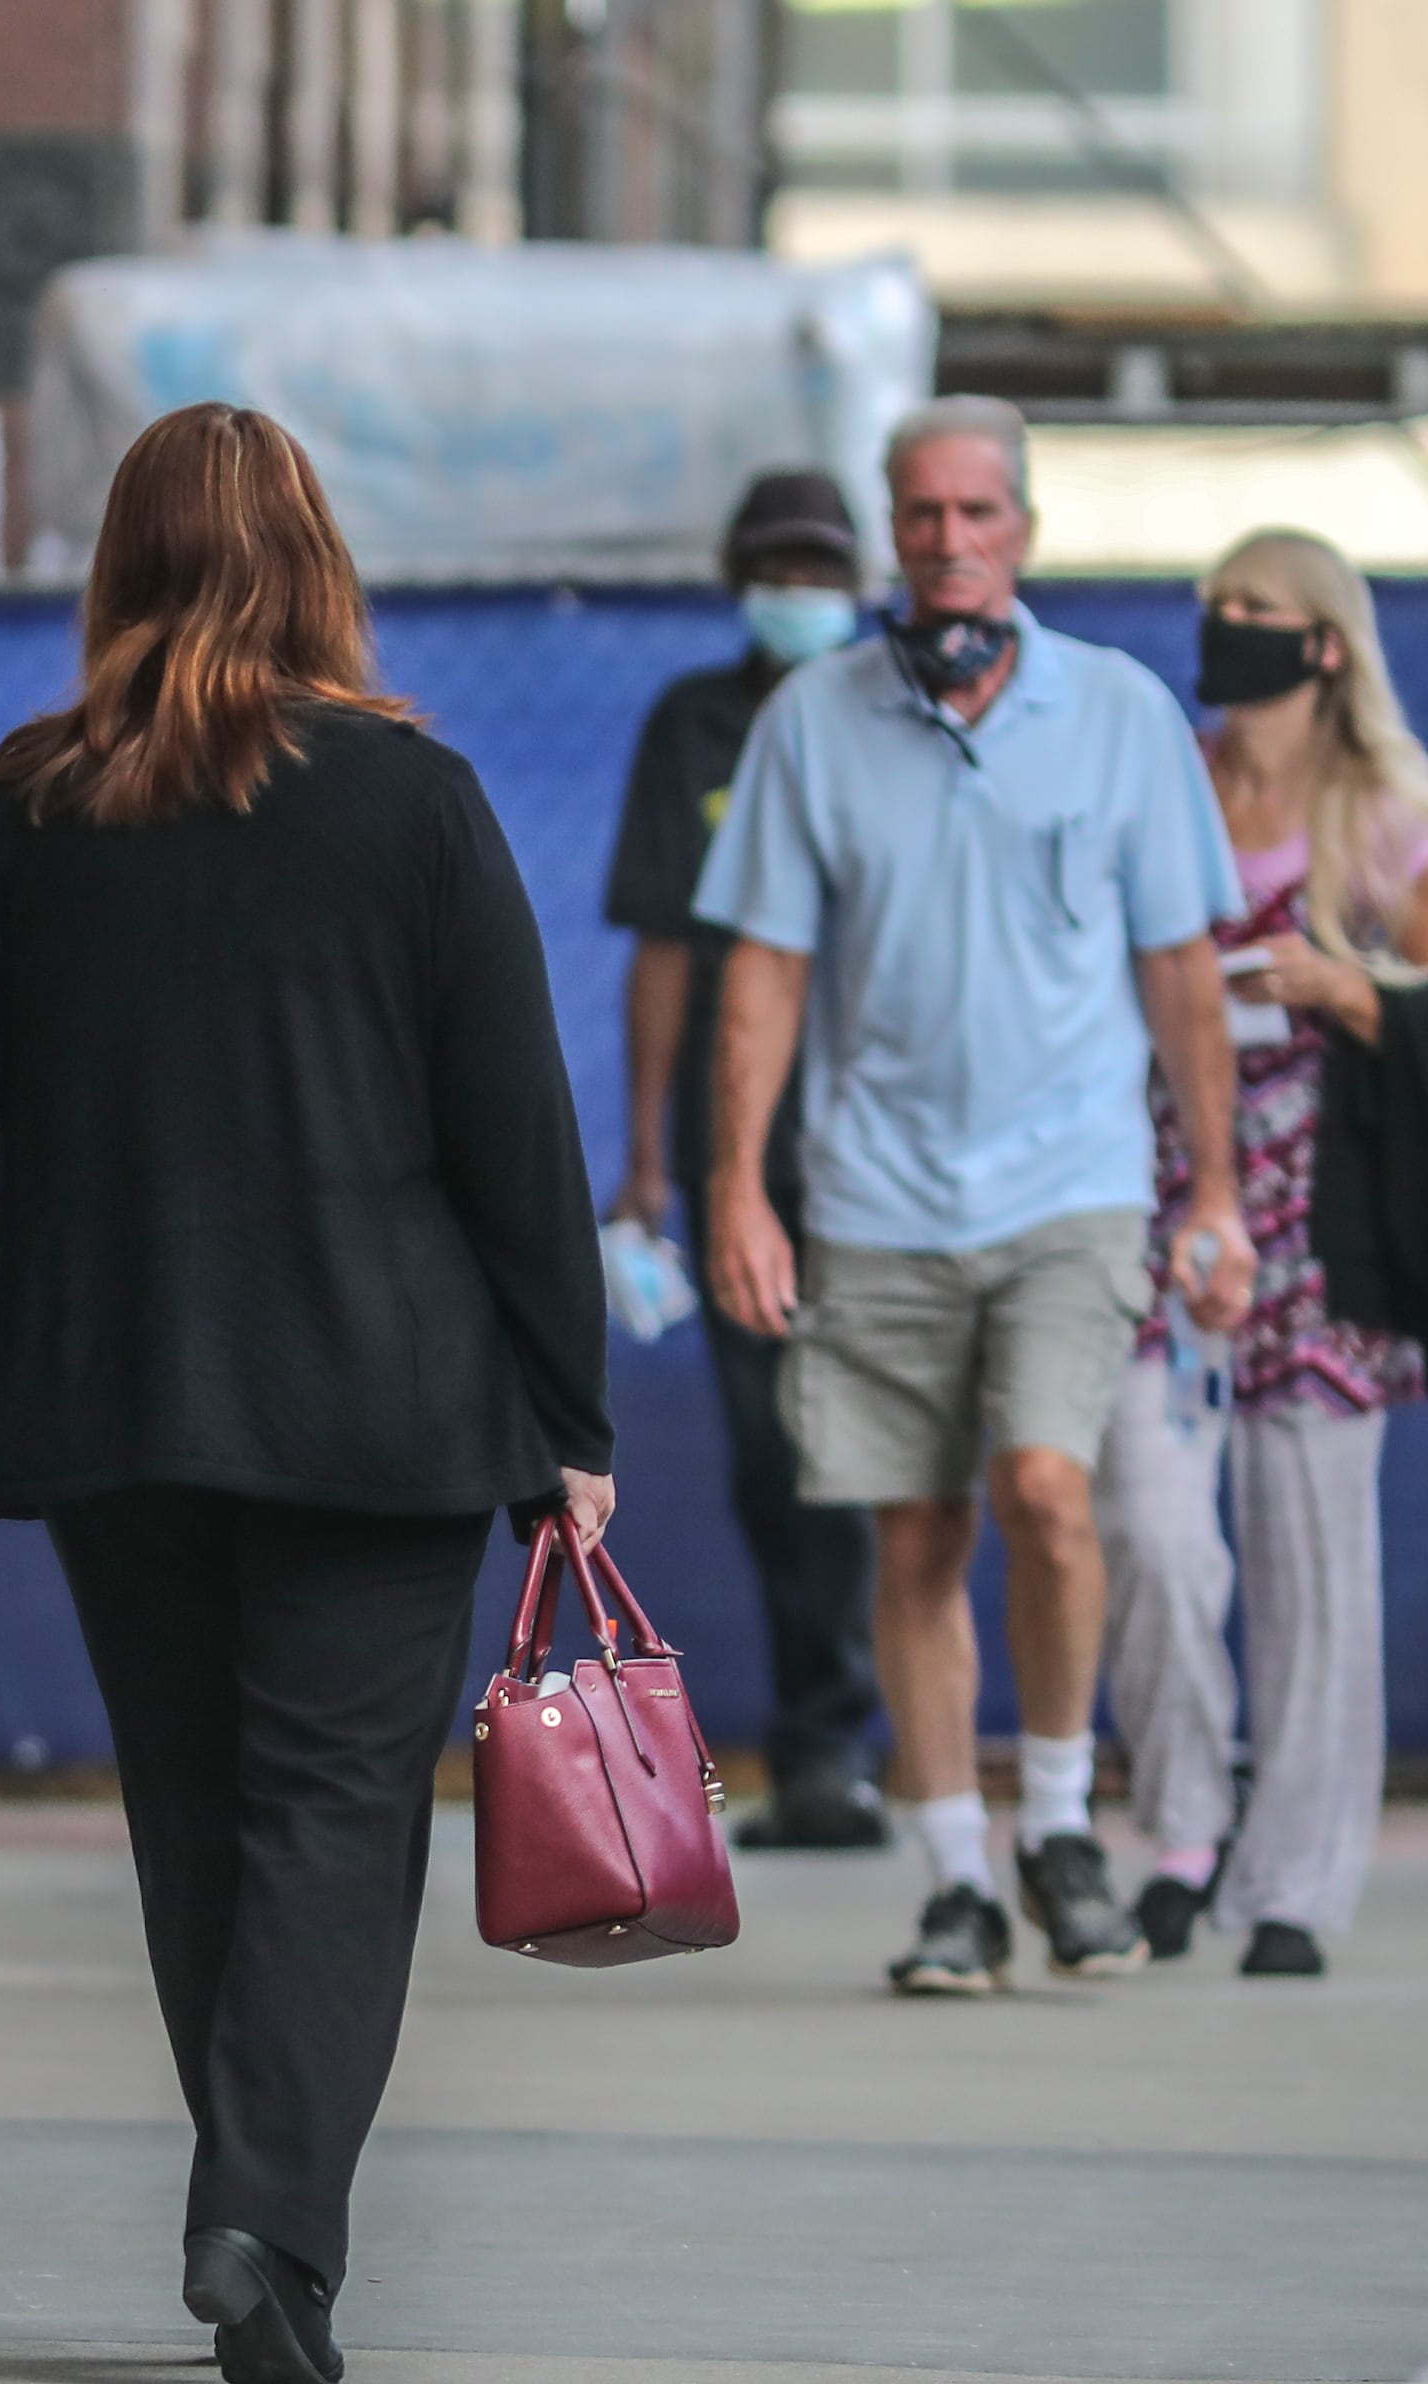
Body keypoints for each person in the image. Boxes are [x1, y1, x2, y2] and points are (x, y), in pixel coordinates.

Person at [0, 404, 610, 2384]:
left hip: (122, 1407)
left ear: (119, 566)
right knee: (332, 1821)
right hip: (384, 1414)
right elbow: (521, 1139)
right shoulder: (415, 805)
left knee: (197, 1827)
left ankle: (273, 2242)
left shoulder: (35, 810)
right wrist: (573, 1423)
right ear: (315, 561)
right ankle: (265, 2212)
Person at [697, 395, 1255, 1998]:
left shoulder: (1124, 712)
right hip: (873, 1195)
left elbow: (1181, 968)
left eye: (977, 515)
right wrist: (743, 1186)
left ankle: (1065, 1825)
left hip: (1074, 1186)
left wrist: (1208, 1182)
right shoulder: (812, 717)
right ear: (897, 530)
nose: (949, 542)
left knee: (1049, 1496)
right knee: (920, 1535)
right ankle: (956, 1877)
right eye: (923, 516)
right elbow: (766, 973)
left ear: (1025, 529)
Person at [1095, 529, 1428, 1980]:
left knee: (1310, 1553)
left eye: (1259, 613)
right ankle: (1180, 1822)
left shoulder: (1390, 815)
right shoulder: (1161, 778)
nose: (1226, 632)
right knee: (1150, 1521)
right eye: (1213, 608)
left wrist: (1349, 990)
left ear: (1327, 644)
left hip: (1326, 1218)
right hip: (1154, 1195)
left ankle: (1294, 1879)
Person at [598, 469, 887, 1850]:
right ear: (735, 576)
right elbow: (662, 946)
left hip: (896, 1149)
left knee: (885, 1452)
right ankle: (826, 1747)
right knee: (779, 1452)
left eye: (822, 569)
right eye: (778, 567)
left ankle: (886, 1755)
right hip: (741, 1160)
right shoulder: (691, 725)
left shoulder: (898, 716)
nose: (800, 592)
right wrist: (651, 1150)